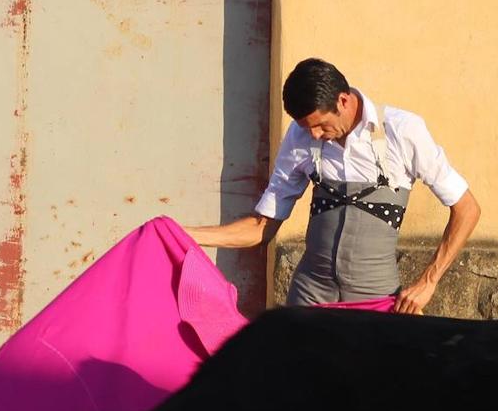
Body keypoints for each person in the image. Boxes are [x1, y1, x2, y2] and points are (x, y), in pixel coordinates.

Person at [186, 57, 480, 314]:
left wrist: (428, 282)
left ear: (343, 100)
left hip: (375, 302)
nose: (313, 135)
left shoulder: (402, 130)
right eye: (306, 127)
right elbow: (262, 226)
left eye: (320, 125)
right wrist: (185, 235)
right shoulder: (299, 137)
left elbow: (467, 209)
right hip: (309, 299)